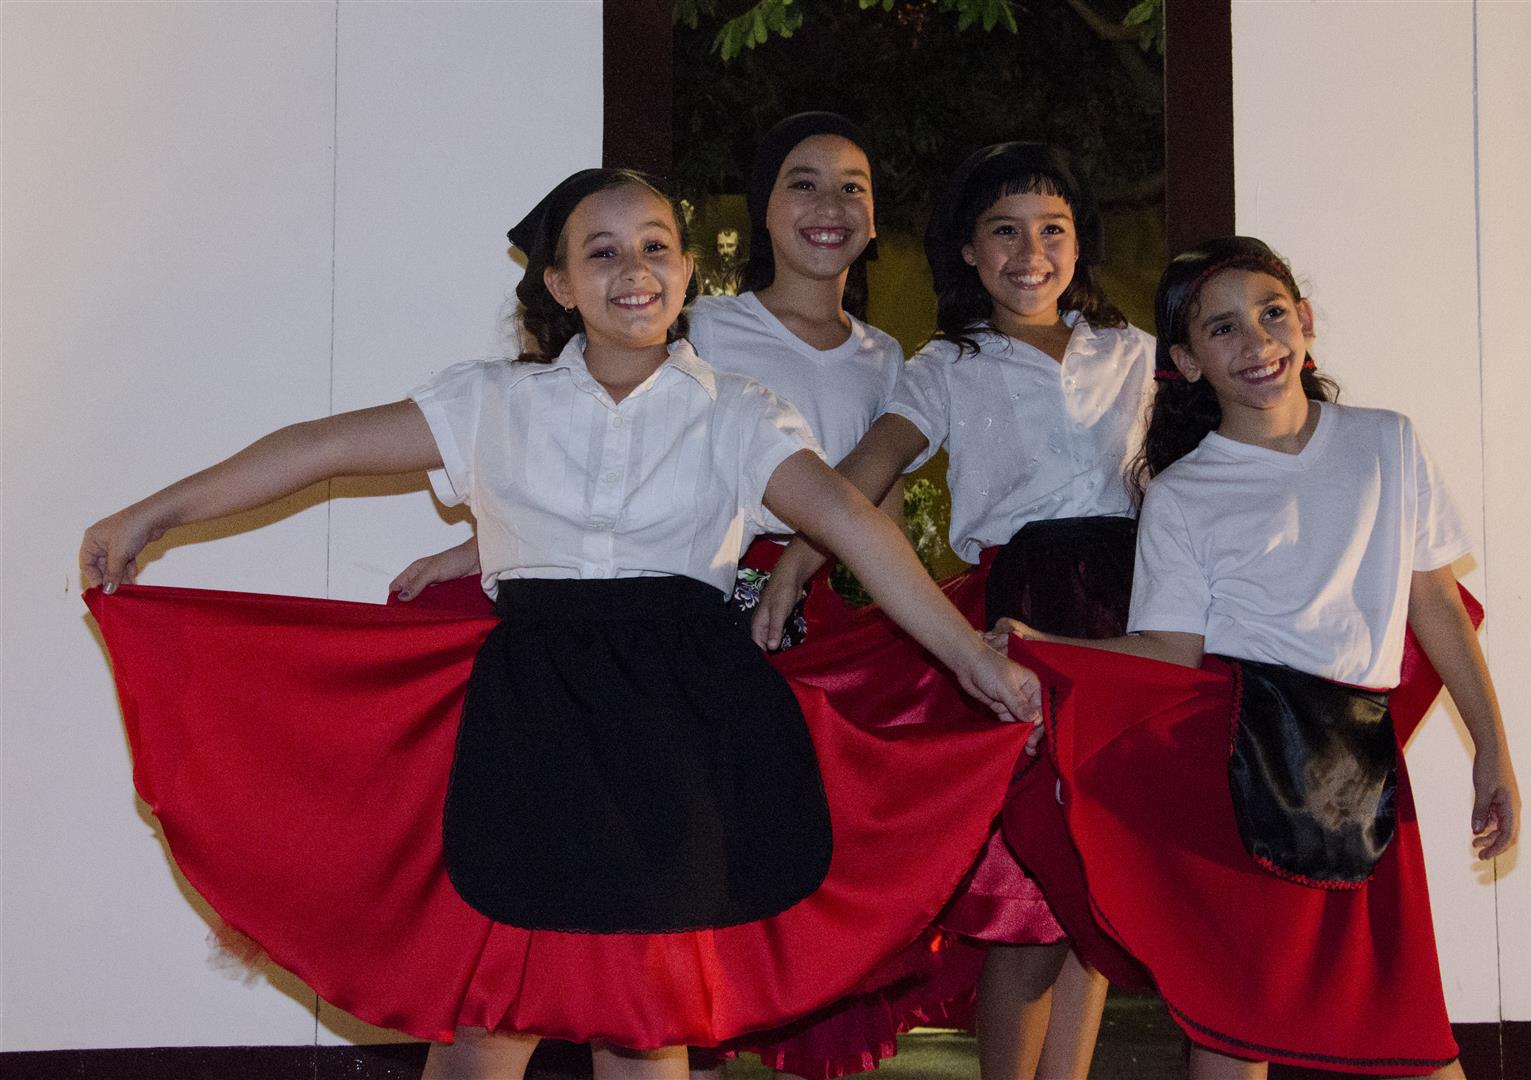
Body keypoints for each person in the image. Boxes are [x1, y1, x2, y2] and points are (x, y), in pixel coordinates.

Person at [80, 168, 1043, 1080]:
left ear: (688, 268)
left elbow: (858, 529)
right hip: (525, 731)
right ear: (559, 283)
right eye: (604, 254)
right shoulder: (495, 402)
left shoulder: (740, 415)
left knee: (647, 1027)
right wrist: (155, 513)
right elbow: (318, 450)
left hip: (679, 738)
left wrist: (971, 660)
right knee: (485, 1031)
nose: (636, 273)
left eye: (657, 247)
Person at [992, 236, 1520, 1079]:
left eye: (1272, 314)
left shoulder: (1387, 443)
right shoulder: (1183, 494)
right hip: (1245, 771)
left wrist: (1491, 745)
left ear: (1305, 323)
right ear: (1187, 362)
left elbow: (1436, 607)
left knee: (1409, 1037)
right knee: (1233, 1033)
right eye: (1223, 328)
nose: (1257, 343)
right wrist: (1047, 649)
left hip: (1363, 779)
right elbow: (1169, 652)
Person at [756, 142, 1155, 1080]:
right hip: (1022, 618)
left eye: (1051, 230)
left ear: (1078, 244)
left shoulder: (1134, 354)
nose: (1030, 252)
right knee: (1032, 890)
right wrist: (795, 567)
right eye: (1003, 231)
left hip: (1134, 622)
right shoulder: (948, 366)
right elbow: (861, 476)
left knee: (1097, 884)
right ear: (968, 254)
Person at [391, 112, 907, 653]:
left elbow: (872, 508)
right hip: (713, 579)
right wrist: (483, 546)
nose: (830, 204)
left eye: (853, 187)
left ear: (874, 218)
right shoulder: (699, 322)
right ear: (764, 210)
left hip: (811, 589)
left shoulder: (883, 355)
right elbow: (612, 454)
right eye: (803, 183)